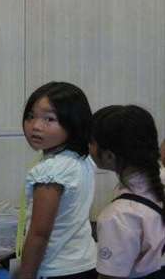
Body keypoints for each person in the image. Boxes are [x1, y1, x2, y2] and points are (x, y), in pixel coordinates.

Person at [16, 81, 97, 279]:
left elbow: (39, 235)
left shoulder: (52, 170)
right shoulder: (82, 159)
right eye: (31, 116)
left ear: (73, 122)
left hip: (57, 269)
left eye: (49, 119)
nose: (36, 126)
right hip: (85, 262)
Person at [90, 105, 165, 279]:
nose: (88, 147)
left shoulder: (117, 216)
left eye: (91, 142)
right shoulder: (160, 178)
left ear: (109, 156)